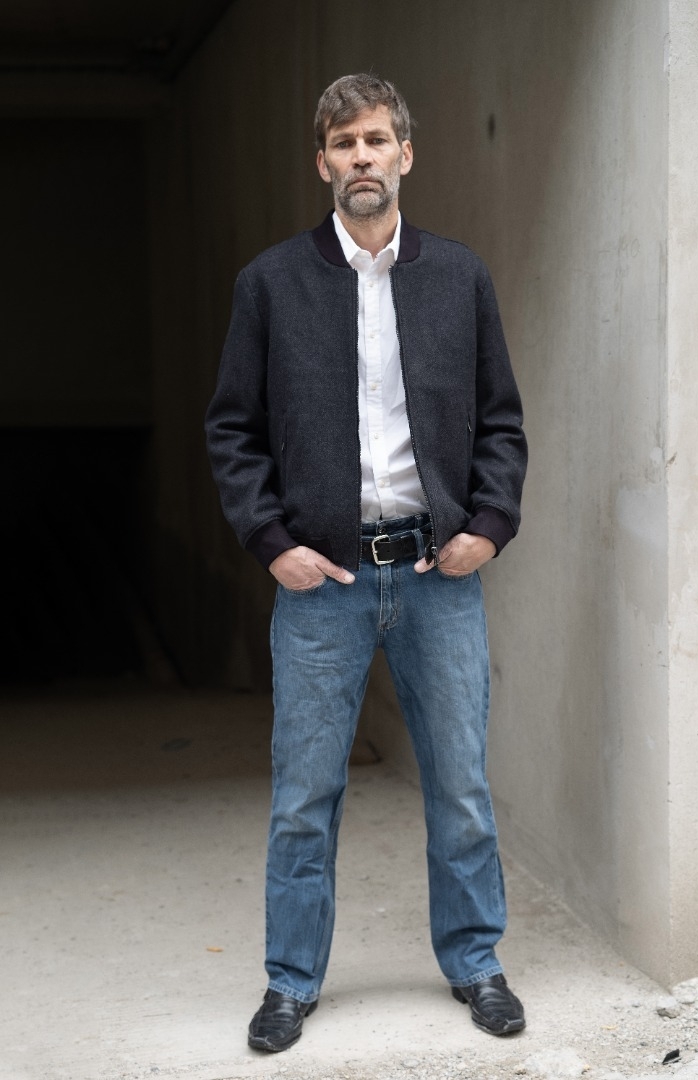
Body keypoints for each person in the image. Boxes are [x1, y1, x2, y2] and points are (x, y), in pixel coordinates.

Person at [205, 73, 528, 1054]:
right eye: (344, 144)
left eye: (376, 140)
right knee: (304, 800)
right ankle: (290, 982)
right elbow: (233, 430)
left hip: (438, 576)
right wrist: (273, 543)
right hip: (324, 587)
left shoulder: (459, 277)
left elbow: (501, 421)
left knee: (461, 790)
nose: (362, 158)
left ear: (405, 154)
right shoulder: (270, 284)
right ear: (323, 165)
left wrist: (489, 524)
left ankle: (476, 962)